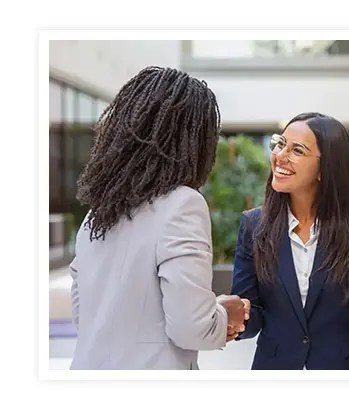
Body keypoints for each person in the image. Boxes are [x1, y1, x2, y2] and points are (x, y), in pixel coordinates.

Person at [69, 66, 249, 370]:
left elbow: (82, 313)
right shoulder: (182, 204)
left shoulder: (98, 213)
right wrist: (224, 314)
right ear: (194, 141)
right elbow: (191, 328)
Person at [231, 112, 349, 370]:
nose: (280, 155)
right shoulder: (254, 225)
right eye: (280, 144)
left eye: (297, 150)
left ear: (325, 167)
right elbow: (253, 313)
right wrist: (236, 317)